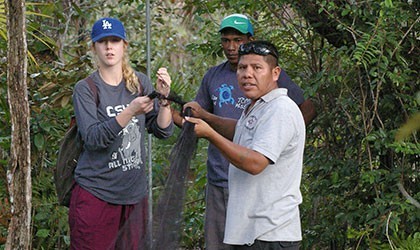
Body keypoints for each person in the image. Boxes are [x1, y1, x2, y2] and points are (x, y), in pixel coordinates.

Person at [172, 14, 315, 249]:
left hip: (271, 234)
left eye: (257, 68)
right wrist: (204, 118)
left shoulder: (280, 109)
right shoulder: (257, 106)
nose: (247, 74)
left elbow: (255, 163)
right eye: (242, 68)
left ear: (275, 73)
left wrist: (210, 134)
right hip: (251, 231)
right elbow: (239, 129)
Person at [69, 17, 174, 249]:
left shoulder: (139, 83)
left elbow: (163, 131)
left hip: (134, 196)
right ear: (93, 47)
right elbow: (94, 139)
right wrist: (130, 111)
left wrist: (165, 101)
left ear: (124, 45)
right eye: (102, 42)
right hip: (96, 193)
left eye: (114, 41)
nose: (109, 47)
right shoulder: (86, 89)